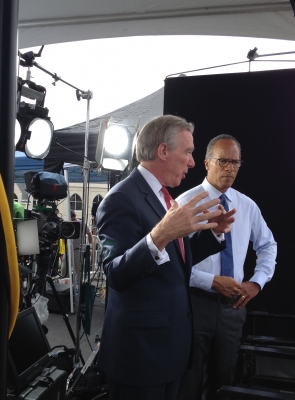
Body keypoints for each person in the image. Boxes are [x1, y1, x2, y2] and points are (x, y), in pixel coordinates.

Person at [96, 115, 236, 400]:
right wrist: (158, 236)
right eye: (187, 152)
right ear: (162, 151)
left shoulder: (165, 198)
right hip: (140, 356)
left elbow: (177, 259)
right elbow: (114, 274)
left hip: (169, 351)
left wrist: (214, 234)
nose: (193, 162)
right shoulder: (120, 198)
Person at [175, 134, 277, 400]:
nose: (230, 168)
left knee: (225, 381)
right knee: (189, 381)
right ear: (207, 163)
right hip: (194, 306)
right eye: (223, 161)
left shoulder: (246, 206)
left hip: (233, 308)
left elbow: (268, 246)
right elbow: (173, 261)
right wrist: (209, 281)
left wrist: (257, 282)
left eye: (235, 162)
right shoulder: (186, 203)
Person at [61, 210, 93, 285]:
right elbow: (64, 238)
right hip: (68, 250)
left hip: (77, 250)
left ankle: (77, 286)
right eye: (72, 216)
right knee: (64, 269)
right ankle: (64, 285)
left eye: (74, 216)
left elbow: (89, 234)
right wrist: (62, 252)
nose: (73, 218)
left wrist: (90, 246)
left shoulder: (81, 223)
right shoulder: (67, 223)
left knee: (78, 270)